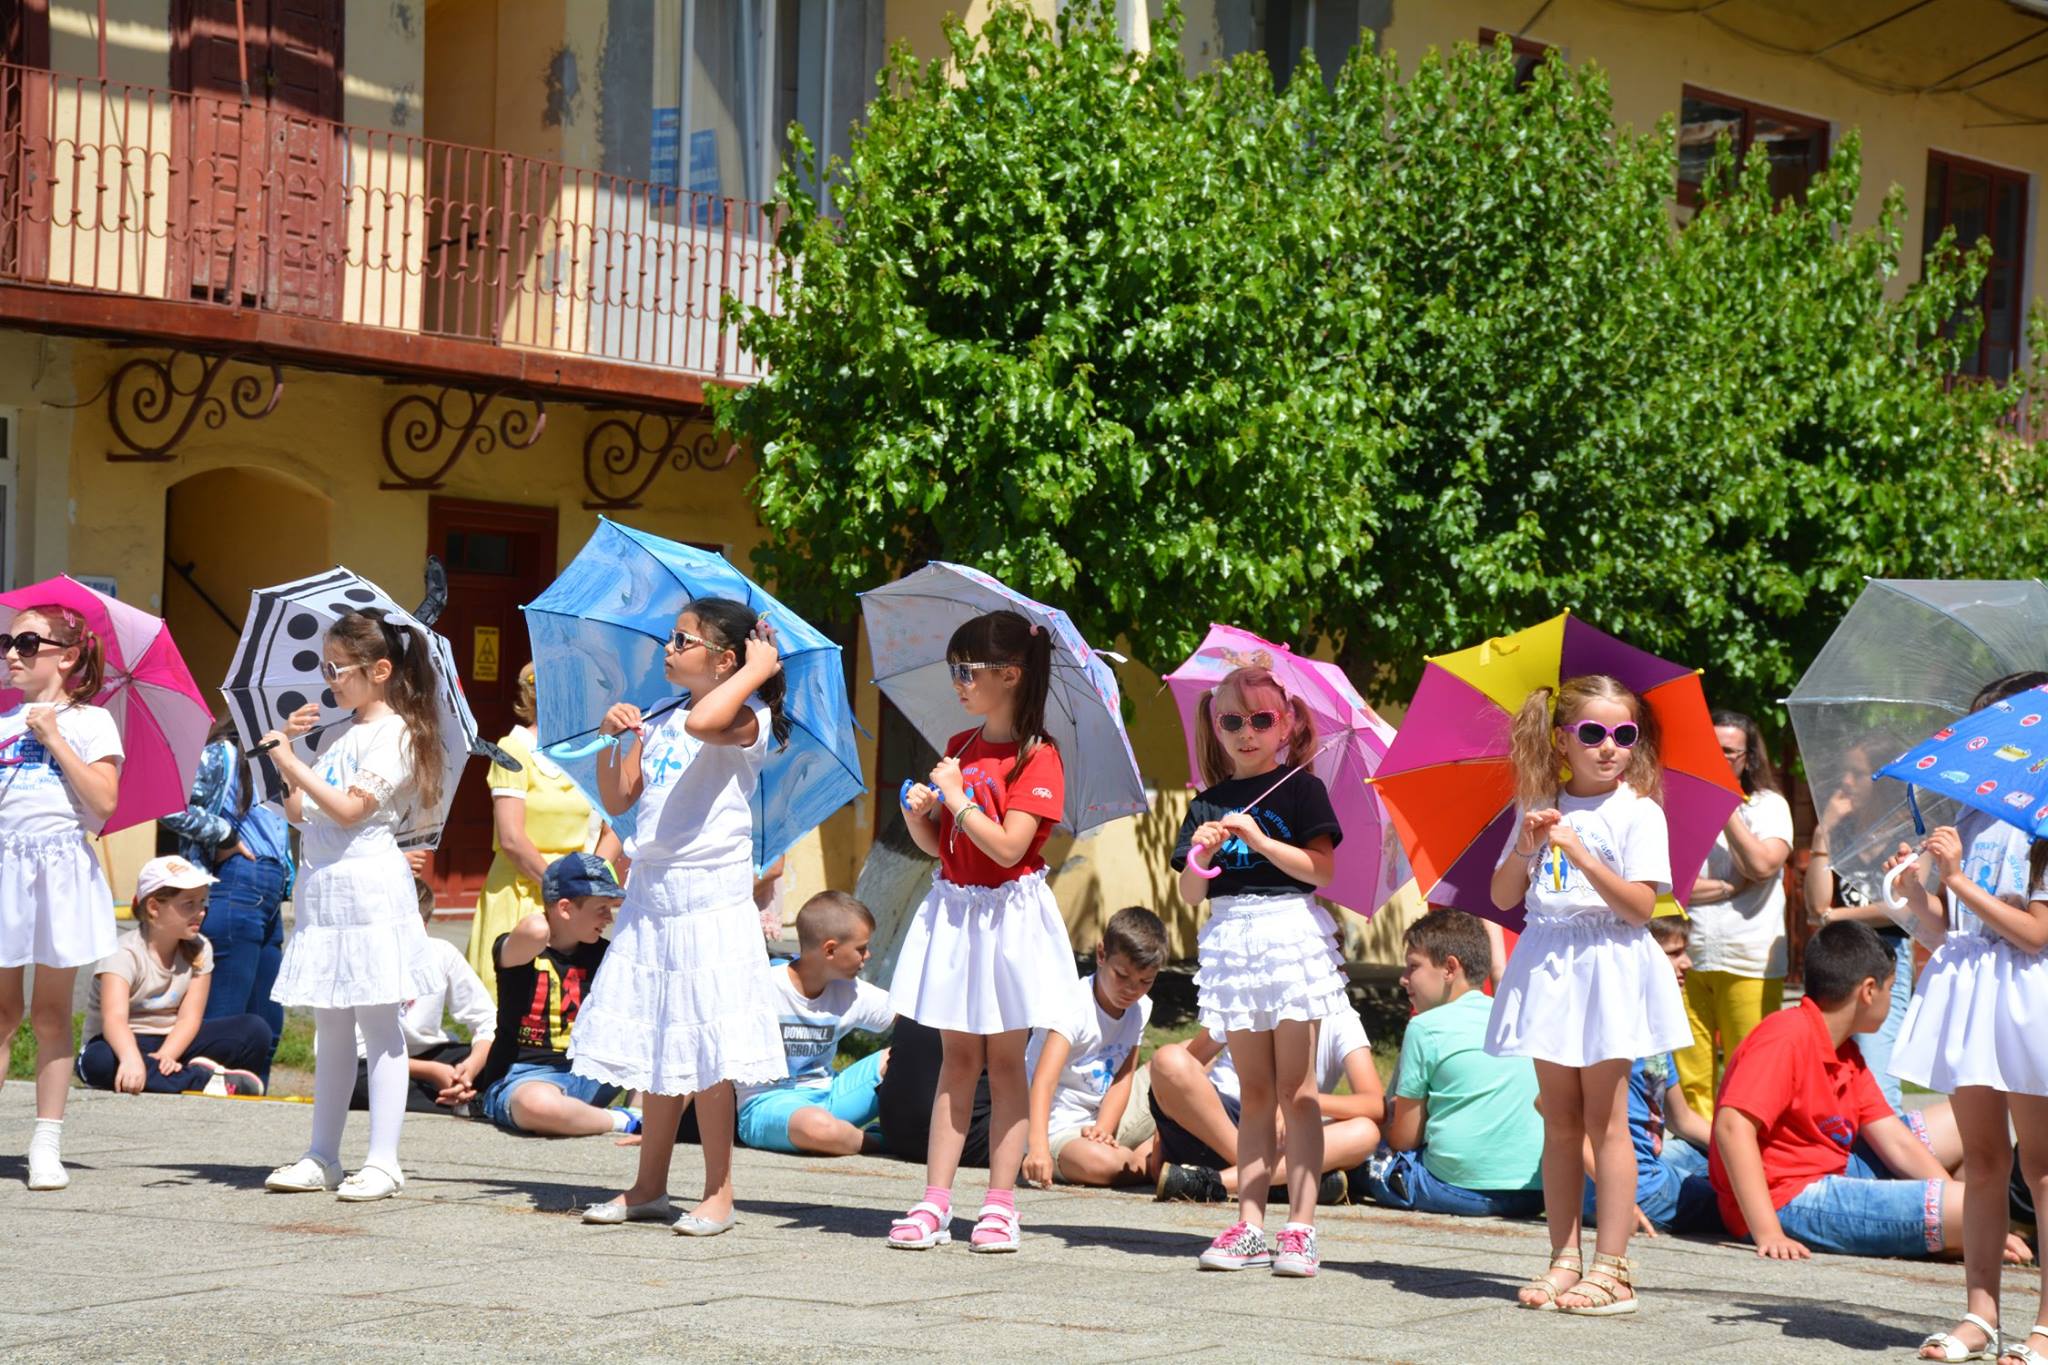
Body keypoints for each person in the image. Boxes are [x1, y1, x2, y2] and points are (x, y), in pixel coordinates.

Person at [574, 598, 787, 1237]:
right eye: (671, 638)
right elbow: (620, 799)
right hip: (654, 895)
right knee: (659, 1042)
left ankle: (719, 1192)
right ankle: (648, 1186)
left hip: (709, 899)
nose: (668, 648)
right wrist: (617, 741)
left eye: (683, 640)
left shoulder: (747, 715)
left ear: (725, 659)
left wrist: (756, 671)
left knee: (708, 1049)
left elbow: (707, 726)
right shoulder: (667, 715)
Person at [1489, 675, 1692, 1315]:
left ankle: (1614, 1267)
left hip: (1609, 965)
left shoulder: (1639, 810)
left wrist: (1580, 852)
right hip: (1551, 965)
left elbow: (1639, 909)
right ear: (1562, 739)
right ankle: (1562, 1259)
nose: (1610, 747)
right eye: (1594, 733)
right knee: (1558, 1118)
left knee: (1607, 1121)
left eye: (1624, 735)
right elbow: (1501, 898)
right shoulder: (1540, 804)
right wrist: (1527, 846)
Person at [886, 609, 1076, 1255]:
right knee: (956, 1058)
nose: (959, 682)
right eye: (954, 670)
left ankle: (999, 1205)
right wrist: (923, 814)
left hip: (1009, 917)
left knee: (1004, 1060)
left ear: (1010, 674)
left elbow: (1007, 847)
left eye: (968, 670)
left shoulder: (1038, 756)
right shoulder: (963, 745)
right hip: (959, 910)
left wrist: (958, 801)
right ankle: (935, 1199)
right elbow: (944, 846)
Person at [1710, 920, 2029, 1281]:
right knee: (1971, 1205)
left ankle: (1958, 1231)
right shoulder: (1785, 1037)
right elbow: (1732, 1127)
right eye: (1892, 989)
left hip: (1836, 1166)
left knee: (1966, 1139)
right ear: (1868, 990)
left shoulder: (1845, 1051)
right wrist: (1767, 1231)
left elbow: (1894, 1139)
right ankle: (1958, 1231)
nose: (1894, 1000)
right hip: (1785, 1198)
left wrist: (1960, 1203)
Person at [1885, 669, 2048, 1365]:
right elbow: (1943, 929)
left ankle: (2044, 1322)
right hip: (1969, 986)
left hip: (2026, 993)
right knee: (1982, 1160)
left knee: (2040, 1165)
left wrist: (1954, 881)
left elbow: (2036, 933)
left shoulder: (2042, 823)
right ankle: (1981, 1313)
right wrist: (1913, 893)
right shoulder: (1967, 817)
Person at [261, 608, 446, 1203]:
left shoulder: (398, 734)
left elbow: (348, 809)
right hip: (326, 887)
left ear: (380, 670)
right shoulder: (339, 735)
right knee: (331, 1024)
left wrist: (292, 762)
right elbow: (299, 811)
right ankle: (322, 1154)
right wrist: (287, 750)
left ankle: (385, 1161)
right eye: (326, 666)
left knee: (377, 1022)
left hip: (368, 886)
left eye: (337, 668)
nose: (329, 679)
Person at [1171, 664, 1347, 1277]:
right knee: (1254, 1091)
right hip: (1231, 938)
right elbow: (1192, 892)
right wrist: (1206, 850)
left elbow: (1320, 872)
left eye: (1262, 719)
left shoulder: (1303, 790)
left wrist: (1263, 842)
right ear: (1215, 727)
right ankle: (1249, 1223)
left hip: (1290, 933)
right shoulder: (1205, 803)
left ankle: (1300, 1227)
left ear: (1286, 724)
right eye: (1232, 721)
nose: (1247, 732)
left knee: (1298, 1091)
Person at [0, 602, 122, 1189]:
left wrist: (52, 735)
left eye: (28, 643)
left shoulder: (91, 722)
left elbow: (103, 803)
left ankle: (45, 1143)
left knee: (50, 1013)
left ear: (67, 657)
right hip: (6, 867)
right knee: (1, 1013)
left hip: (59, 871)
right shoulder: (1, 722)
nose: (12, 654)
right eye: (8, 642)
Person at [1355, 907, 1542, 1218]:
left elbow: (1404, 1138)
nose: (1403, 979)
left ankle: (1308, 1183)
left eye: (1413, 966)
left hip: (1457, 1189)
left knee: (1364, 1159)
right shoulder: (1516, 1019)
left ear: (1450, 967)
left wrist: (1391, 1120)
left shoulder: (1426, 1028)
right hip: (1535, 1194)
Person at [466, 663, 620, 998]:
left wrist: (590, 889)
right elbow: (512, 838)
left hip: (577, 904)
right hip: (523, 894)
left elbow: (613, 831)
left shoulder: (591, 749)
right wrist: (563, 888)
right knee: (510, 1011)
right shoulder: (514, 747)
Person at [1676, 709, 1794, 1117]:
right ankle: (1699, 1165)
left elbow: (1762, 866)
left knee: (1751, 1074)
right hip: (1686, 957)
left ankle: (1748, 1164)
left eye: (1729, 752)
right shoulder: (1677, 802)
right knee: (1691, 1081)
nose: (1720, 757)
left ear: (1748, 758)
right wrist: (1728, 887)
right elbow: (1668, 887)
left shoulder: (1769, 806)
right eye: (1712, 749)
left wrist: (1724, 806)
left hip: (1750, 959)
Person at [74, 856, 270, 1097]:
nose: (200, 912)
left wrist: (167, 1055)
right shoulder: (122, 953)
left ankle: (163, 1075)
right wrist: (131, 1058)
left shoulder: (200, 948)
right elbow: (114, 1020)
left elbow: (190, 1018)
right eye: (189, 904)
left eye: (202, 903)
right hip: (119, 1043)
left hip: (172, 1041)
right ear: (154, 907)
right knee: (97, 1063)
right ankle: (202, 1080)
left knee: (255, 1030)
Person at [473, 854, 638, 1138]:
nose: (608, 918)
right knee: (536, 1105)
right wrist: (549, 914)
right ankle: (623, 1121)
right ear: (564, 908)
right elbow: (536, 930)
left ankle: (637, 1113)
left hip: (590, 1073)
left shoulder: (605, 954)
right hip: (526, 1078)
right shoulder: (519, 950)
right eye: (601, 908)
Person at [1151, 1005, 1382, 1207]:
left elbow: (1374, 1104)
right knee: (1168, 1059)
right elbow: (1179, 1071)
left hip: (1282, 1137)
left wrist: (1298, 1101)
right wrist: (1157, 1136)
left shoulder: (1340, 1017)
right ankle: (1274, 1183)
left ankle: (1216, 1183)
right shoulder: (1243, 995)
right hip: (1216, 1124)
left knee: (1365, 1132)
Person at [159, 713, 292, 1055]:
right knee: (226, 1015)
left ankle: (251, 1100)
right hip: (236, 881)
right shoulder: (223, 753)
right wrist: (225, 835)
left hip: (269, 894)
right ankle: (212, 1093)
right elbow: (169, 803)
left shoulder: (278, 763)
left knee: (267, 1021)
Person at [1581, 916, 1718, 1236]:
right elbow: (1554, 1109)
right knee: (1747, 1200)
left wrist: (1752, 1155)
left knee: (1712, 1156)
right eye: (1673, 954)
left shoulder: (1652, 1024)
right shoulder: (1616, 1026)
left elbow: (1681, 1120)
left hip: (1649, 1165)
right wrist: (1620, 1201)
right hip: (1635, 1191)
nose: (1686, 964)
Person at [1805, 739, 1918, 1116]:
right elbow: (1816, 903)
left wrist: (1834, 917)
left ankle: (1896, 1162)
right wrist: (1823, 834)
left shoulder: (1907, 835)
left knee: (1876, 1062)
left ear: (1880, 779)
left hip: (1885, 960)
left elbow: (1900, 909)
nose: (1846, 781)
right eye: (1845, 772)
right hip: (1841, 958)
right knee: (1838, 1062)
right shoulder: (1842, 831)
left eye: (1857, 773)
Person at [735, 890, 894, 1156]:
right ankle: (884, 1142)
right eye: (861, 949)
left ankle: (852, 1135)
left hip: (831, 1095)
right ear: (830, 949)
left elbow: (913, 1017)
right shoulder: (761, 988)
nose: (868, 956)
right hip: (767, 1106)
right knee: (819, 1129)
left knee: (902, 1056)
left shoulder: (850, 989)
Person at [1022, 907, 1167, 1189]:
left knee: (1187, 1061)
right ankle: (1152, 1160)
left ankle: (1150, 1156)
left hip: (1103, 1121)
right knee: (1105, 1165)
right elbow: (1043, 1081)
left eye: (1145, 982)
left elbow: (1123, 1077)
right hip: (1060, 1129)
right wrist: (1037, 1147)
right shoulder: (1072, 1005)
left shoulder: (1140, 1007)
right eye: (1122, 976)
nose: (1132, 989)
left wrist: (1104, 1127)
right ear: (1101, 955)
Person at [351, 887, 495, 1115]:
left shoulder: (442, 953)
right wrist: (431, 1072)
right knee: (354, 1080)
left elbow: (486, 1019)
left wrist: (470, 1068)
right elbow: (354, 1049)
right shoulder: (359, 960)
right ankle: (468, 1103)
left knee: (504, 1058)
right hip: (375, 1059)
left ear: (424, 927)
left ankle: (460, 1093)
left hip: (431, 1051)